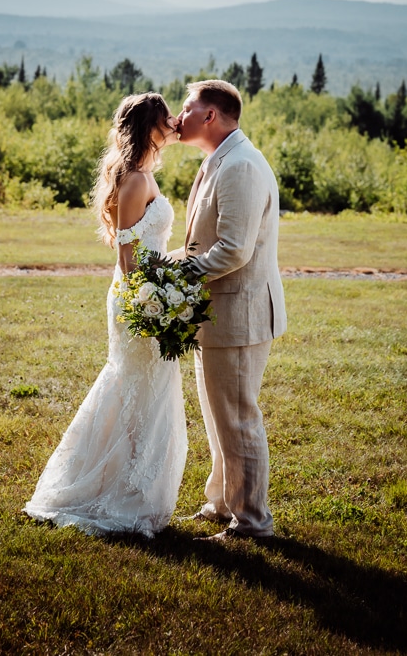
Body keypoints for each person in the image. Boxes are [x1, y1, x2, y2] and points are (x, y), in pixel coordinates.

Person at [24, 92, 186, 537]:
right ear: (150, 126)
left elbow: (147, 250)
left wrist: (173, 273)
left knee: (143, 388)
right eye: (166, 116)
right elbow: (128, 256)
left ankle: (133, 486)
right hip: (139, 297)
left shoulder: (142, 174)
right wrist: (151, 304)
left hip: (149, 289)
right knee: (134, 387)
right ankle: (118, 492)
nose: (174, 120)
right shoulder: (134, 180)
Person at [174, 79, 286, 541]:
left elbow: (234, 250)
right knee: (219, 414)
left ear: (210, 116)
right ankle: (222, 502)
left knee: (238, 417)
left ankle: (253, 523)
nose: (177, 117)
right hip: (216, 313)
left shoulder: (239, 165)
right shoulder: (218, 159)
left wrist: (178, 277)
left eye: (186, 107)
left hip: (238, 313)